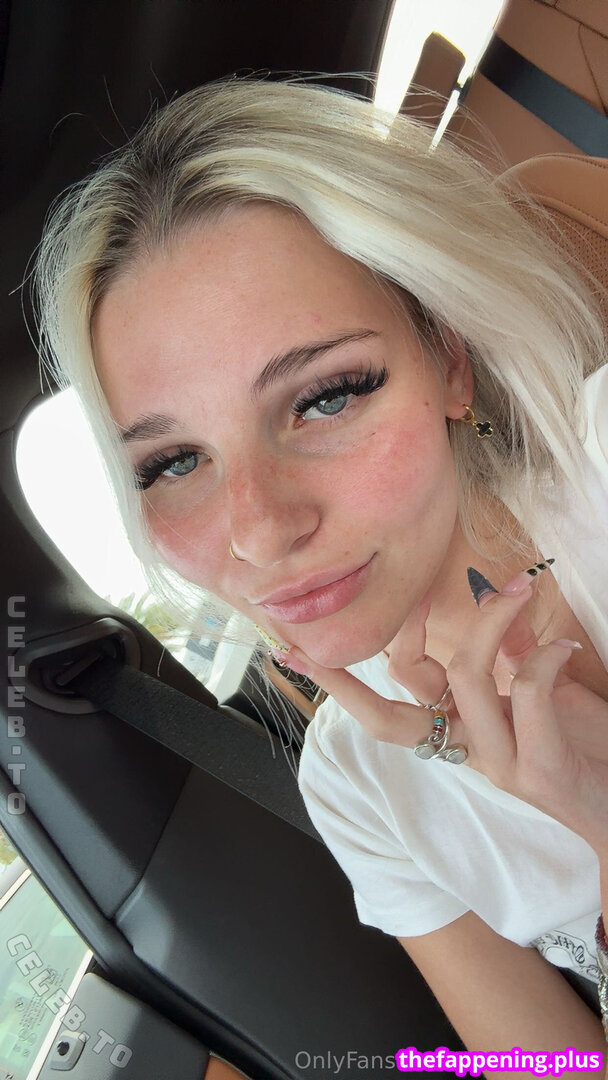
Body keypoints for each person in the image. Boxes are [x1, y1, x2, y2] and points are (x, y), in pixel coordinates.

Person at [32, 72, 608, 1073]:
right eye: (173, 463)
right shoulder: (354, 781)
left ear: (447, 360)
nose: (258, 533)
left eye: (325, 397)